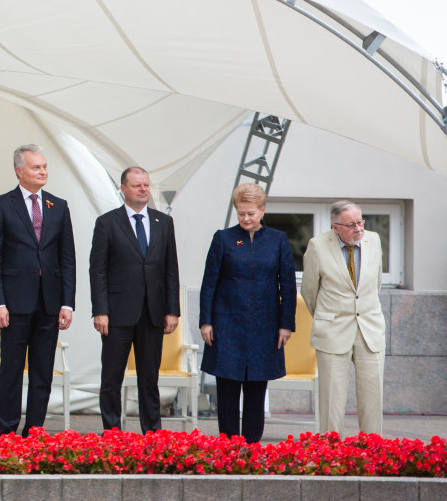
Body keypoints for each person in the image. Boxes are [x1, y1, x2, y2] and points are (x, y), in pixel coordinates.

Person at [0, 144, 75, 437]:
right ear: (19, 171)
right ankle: (7, 432)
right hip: (14, 303)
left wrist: (67, 303)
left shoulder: (58, 206)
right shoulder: (1, 205)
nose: (43, 171)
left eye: (45, 167)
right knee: (11, 370)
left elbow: (67, 258)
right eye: (36, 167)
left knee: (42, 373)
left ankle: (34, 431)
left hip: (49, 303)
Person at [199, 183, 296, 443]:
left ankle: (252, 446)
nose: (245, 218)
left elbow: (287, 284)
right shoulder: (224, 238)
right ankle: (228, 446)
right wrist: (206, 321)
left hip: (265, 325)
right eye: (241, 213)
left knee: (256, 386)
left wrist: (286, 324)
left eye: (251, 213)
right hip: (227, 323)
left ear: (262, 211)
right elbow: (210, 282)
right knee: (227, 386)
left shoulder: (278, 240)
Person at [89, 166, 180, 433]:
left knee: (149, 378)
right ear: (123, 188)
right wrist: (100, 310)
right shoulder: (107, 223)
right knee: (112, 377)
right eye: (137, 185)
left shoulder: (163, 222)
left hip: (153, 313)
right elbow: (98, 270)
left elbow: (170, 269)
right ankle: (112, 432)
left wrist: (172, 310)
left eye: (146, 185)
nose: (143, 189)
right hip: (117, 313)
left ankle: (152, 433)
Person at [301, 200, 385, 436]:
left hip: (370, 328)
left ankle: (372, 450)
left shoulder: (374, 239)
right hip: (333, 329)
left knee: (372, 396)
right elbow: (309, 291)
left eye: (360, 221)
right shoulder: (317, 246)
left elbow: (375, 283)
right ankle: (330, 453)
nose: (358, 228)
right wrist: (328, 317)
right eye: (351, 224)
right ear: (335, 226)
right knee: (331, 398)